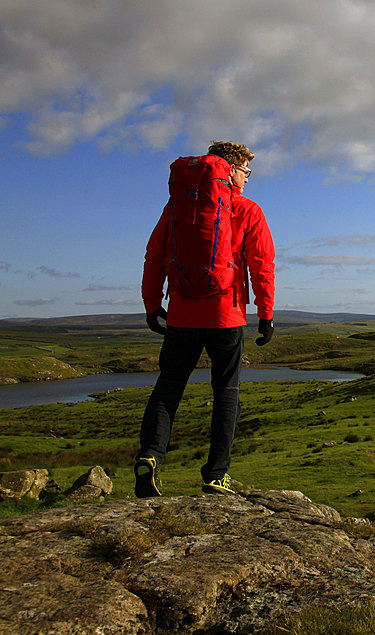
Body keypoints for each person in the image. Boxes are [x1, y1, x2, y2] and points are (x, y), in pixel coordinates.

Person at [135, 140, 275, 497]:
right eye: (245, 170)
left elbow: (154, 256)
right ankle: (216, 476)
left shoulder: (176, 208)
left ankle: (150, 457)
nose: (248, 178)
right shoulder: (248, 209)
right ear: (229, 170)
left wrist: (152, 305)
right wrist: (266, 313)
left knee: (168, 389)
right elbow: (262, 266)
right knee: (226, 393)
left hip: (181, 315)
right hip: (226, 317)